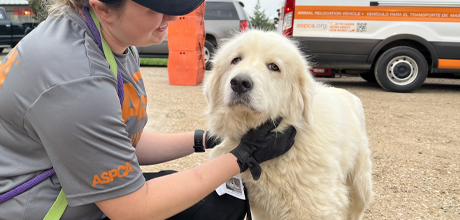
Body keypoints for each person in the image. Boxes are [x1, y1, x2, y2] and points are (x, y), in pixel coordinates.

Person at [0, 0, 297, 219]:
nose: (173, 15)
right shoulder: (75, 77)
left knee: (221, 196)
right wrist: (243, 157)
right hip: (45, 209)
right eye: (155, 6)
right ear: (102, 6)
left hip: (76, 188)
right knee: (214, 206)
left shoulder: (109, 40)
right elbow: (133, 209)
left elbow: (123, 141)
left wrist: (204, 139)